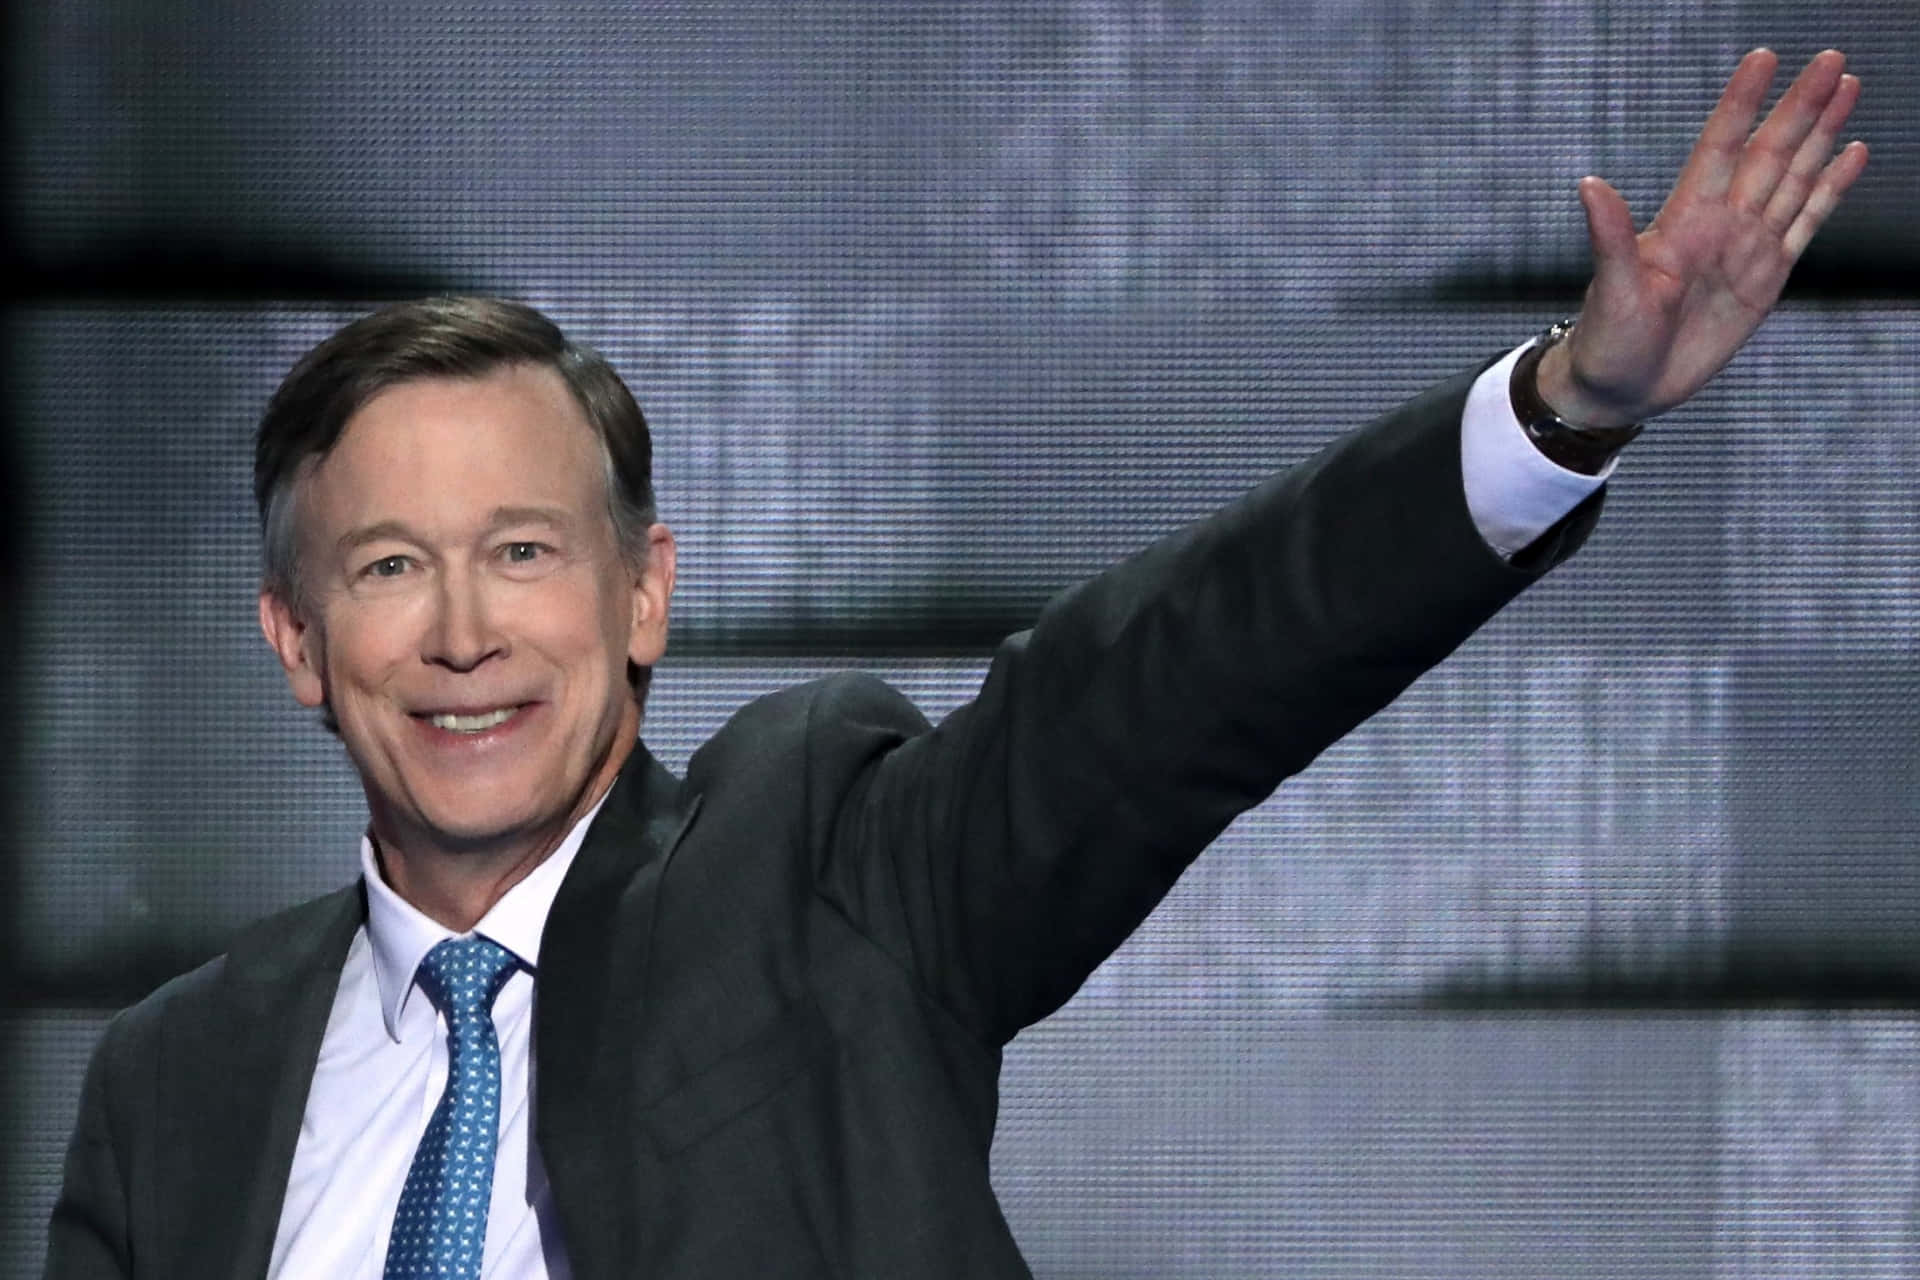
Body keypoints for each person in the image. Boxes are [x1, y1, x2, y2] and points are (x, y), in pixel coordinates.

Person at [44, 48, 1867, 1280]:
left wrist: (1562, 411)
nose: (463, 633)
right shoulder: (173, 1078)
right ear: (295, 641)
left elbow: (1177, 679)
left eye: (524, 554)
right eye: (388, 568)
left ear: (642, 596)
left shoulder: (824, 863)